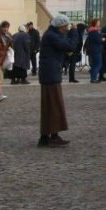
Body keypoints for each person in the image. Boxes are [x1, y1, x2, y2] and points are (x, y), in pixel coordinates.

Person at [38, 16, 74, 147]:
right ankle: (52, 136)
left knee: (49, 105)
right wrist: (74, 32)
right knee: (54, 105)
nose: (66, 29)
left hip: (49, 73)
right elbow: (70, 46)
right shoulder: (52, 36)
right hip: (51, 74)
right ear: (60, 26)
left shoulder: (51, 34)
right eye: (65, 27)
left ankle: (45, 136)